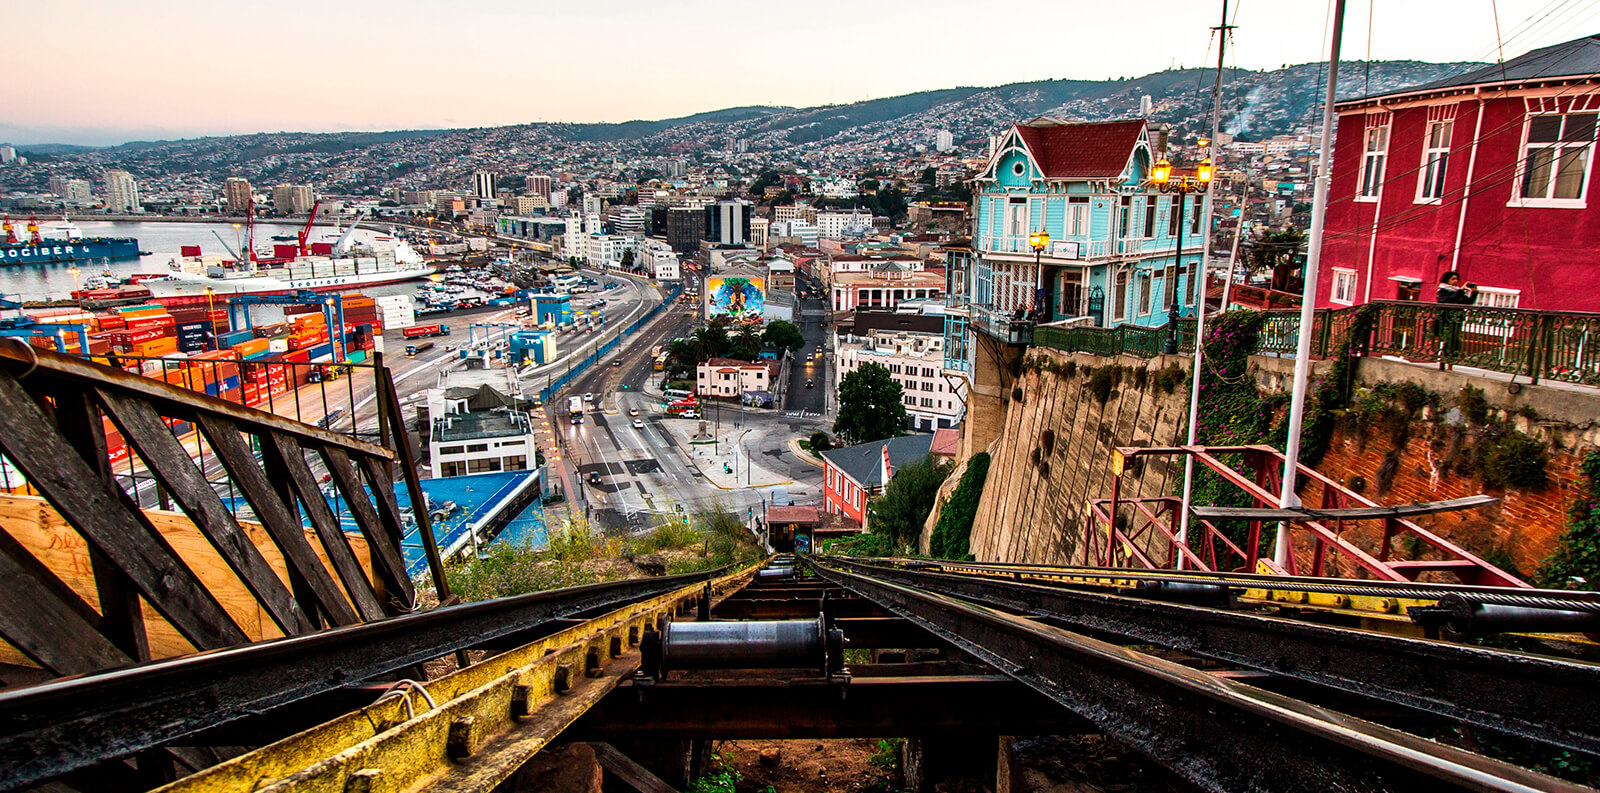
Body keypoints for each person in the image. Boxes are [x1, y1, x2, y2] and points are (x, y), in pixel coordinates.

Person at [1436, 271, 1477, 359]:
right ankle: (1444, 359)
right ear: (1447, 280)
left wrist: (1474, 292)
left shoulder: (1457, 291)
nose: (1456, 281)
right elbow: (1448, 301)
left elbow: (1468, 302)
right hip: (1447, 319)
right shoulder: (1442, 291)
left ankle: (1452, 359)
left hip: (1457, 319)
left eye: (1457, 279)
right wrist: (1460, 291)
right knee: (1448, 339)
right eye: (1453, 279)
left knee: (1455, 340)